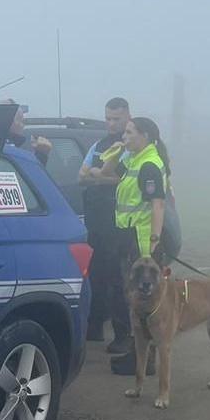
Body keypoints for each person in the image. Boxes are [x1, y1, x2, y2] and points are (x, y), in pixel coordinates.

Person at [110, 116, 177, 375]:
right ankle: (139, 355)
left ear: (145, 136)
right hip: (129, 237)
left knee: (144, 299)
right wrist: (116, 153)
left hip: (142, 241)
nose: (124, 137)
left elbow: (157, 204)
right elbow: (106, 173)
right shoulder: (134, 159)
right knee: (136, 299)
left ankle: (144, 360)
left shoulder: (148, 164)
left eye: (129, 133)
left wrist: (154, 240)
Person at [78, 98, 132, 346]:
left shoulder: (133, 144)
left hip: (120, 224)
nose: (111, 124)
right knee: (94, 275)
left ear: (127, 116)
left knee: (117, 280)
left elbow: (126, 180)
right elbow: (82, 176)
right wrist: (101, 177)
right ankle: (95, 327)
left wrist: (99, 176)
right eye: (108, 118)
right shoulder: (99, 144)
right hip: (96, 221)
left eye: (116, 119)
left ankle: (123, 335)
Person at [0, 100, 51, 164]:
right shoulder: (8, 151)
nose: (23, 125)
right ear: (10, 122)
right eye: (22, 121)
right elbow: (30, 172)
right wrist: (41, 155)